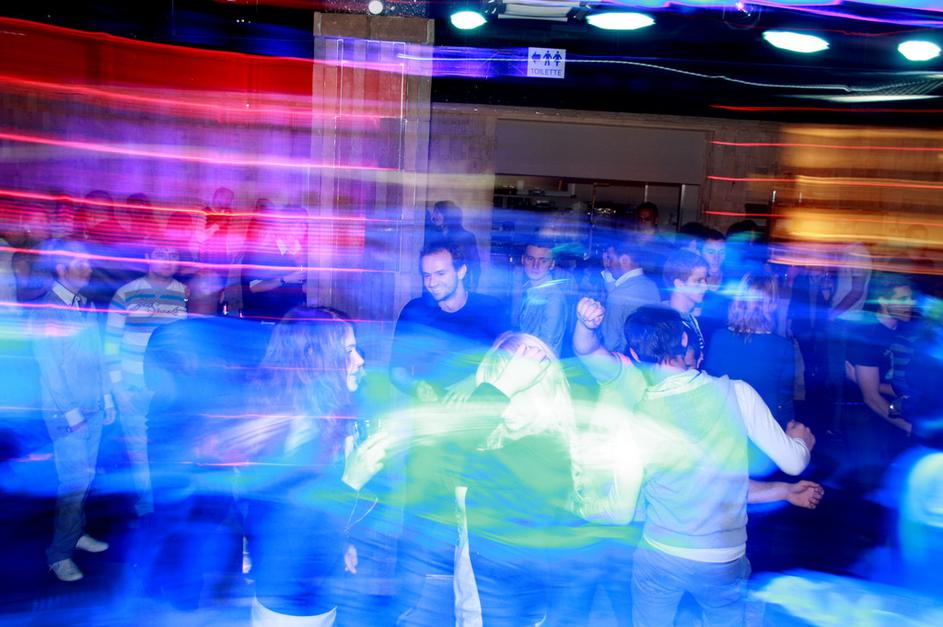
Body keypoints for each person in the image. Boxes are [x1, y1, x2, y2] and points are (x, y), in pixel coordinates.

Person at [573, 302, 815, 626]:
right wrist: (801, 441)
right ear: (685, 341)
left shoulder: (635, 421)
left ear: (634, 354)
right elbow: (794, 462)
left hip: (661, 553)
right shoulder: (737, 394)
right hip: (723, 556)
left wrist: (580, 504)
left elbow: (619, 512)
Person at [237, 307, 388, 626]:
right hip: (290, 598)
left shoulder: (315, 417)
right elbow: (287, 530)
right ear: (313, 359)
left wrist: (341, 541)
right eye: (348, 351)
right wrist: (351, 481)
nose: (360, 360)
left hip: (312, 586)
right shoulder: (295, 431)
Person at [31, 240, 115, 582]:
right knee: (73, 484)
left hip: (92, 406)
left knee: (85, 478)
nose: (88, 269)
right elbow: (51, 370)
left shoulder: (85, 305)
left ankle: (75, 533)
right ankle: (59, 554)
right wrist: (71, 414)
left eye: (88, 263)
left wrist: (106, 397)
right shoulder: (47, 312)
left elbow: (97, 356)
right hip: (66, 415)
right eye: (79, 263)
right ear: (61, 268)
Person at [104, 243, 188, 517]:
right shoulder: (127, 292)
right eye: (161, 254)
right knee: (139, 450)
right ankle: (147, 506)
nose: (168, 260)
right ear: (148, 258)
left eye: (173, 254)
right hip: (134, 385)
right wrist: (117, 389)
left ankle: (167, 506)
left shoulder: (184, 293)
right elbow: (110, 344)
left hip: (170, 389)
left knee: (169, 447)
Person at [390, 240, 506, 402]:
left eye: (440, 274)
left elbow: (512, 355)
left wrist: (476, 379)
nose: (432, 283)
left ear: (461, 272)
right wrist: (414, 385)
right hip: (432, 408)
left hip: (482, 406)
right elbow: (396, 369)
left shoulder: (490, 308)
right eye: (427, 275)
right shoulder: (414, 312)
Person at [843, 272, 915, 491]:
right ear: (883, 301)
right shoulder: (868, 335)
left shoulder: (903, 329)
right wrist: (908, 426)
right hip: (866, 418)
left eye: (911, 298)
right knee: (872, 482)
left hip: (893, 410)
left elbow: (899, 383)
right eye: (902, 299)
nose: (910, 304)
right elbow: (871, 397)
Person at [704, 273, 796, 428]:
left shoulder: (718, 338)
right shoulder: (782, 347)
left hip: (726, 427)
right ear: (772, 304)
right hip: (764, 430)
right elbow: (785, 401)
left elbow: (710, 387)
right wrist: (789, 433)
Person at [241, 203, 308, 321]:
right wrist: (285, 279)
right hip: (267, 316)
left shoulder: (301, 250)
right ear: (288, 225)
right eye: (301, 224)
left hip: (291, 317)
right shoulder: (267, 250)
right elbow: (253, 286)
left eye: (306, 224)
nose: (305, 228)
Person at [600, 236, 660, 354]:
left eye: (610, 259)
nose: (607, 264)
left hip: (624, 359)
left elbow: (610, 343)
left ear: (625, 260)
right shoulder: (653, 286)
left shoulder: (618, 295)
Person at [517, 237, 568, 356]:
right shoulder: (528, 289)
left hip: (540, 363)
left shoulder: (553, 298)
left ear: (552, 264)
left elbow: (546, 346)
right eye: (530, 259)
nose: (535, 266)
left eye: (543, 261)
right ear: (523, 260)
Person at [663, 249, 710, 366]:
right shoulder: (666, 324)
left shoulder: (690, 317)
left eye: (705, 279)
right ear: (679, 284)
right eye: (698, 281)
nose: (705, 287)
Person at [427, 201, 481, 291]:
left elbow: (475, 263)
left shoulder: (466, 236)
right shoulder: (434, 236)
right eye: (434, 212)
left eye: (437, 212)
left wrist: (473, 284)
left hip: (460, 285)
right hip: (438, 285)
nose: (433, 216)